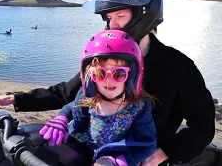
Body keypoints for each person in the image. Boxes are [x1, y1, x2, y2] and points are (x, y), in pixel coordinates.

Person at [0, 0, 216, 165]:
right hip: (91, 153)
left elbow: (203, 125)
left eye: (120, 16)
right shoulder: (106, 56)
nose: (113, 25)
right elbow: (67, 93)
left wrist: (164, 153)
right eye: (109, 18)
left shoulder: (178, 66)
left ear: (145, 13)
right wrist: (15, 99)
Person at [39, 29, 157, 166]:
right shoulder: (90, 97)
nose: (108, 80)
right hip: (79, 150)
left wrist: (122, 161)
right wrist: (62, 118)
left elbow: (147, 144)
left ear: (132, 76)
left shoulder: (137, 107)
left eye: (119, 73)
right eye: (100, 74)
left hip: (111, 159)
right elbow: (71, 107)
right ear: (90, 78)